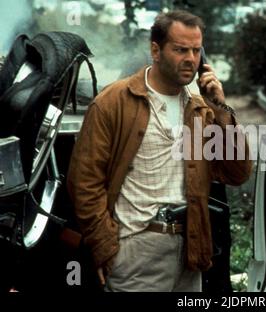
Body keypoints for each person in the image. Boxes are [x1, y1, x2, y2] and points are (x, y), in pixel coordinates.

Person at [67, 10, 252, 292]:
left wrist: (222, 109)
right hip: (136, 248)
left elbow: (237, 173)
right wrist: (105, 245)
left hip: (190, 250)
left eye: (195, 50)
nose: (190, 59)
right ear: (156, 50)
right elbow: (83, 181)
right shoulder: (114, 102)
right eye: (180, 50)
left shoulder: (201, 108)